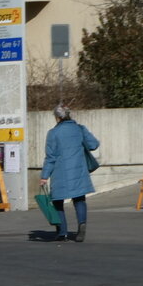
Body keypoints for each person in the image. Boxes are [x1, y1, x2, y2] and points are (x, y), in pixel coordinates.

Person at [39, 104, 99, 243]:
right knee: (79, 199)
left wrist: (44, 176)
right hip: (78, 170)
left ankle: (62, 232)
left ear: (58, 117)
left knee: (57, 201)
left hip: (60, 172)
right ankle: (81, 225)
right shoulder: (79, 129)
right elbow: (93, 145)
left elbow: (50, 157)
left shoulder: (53, 133)